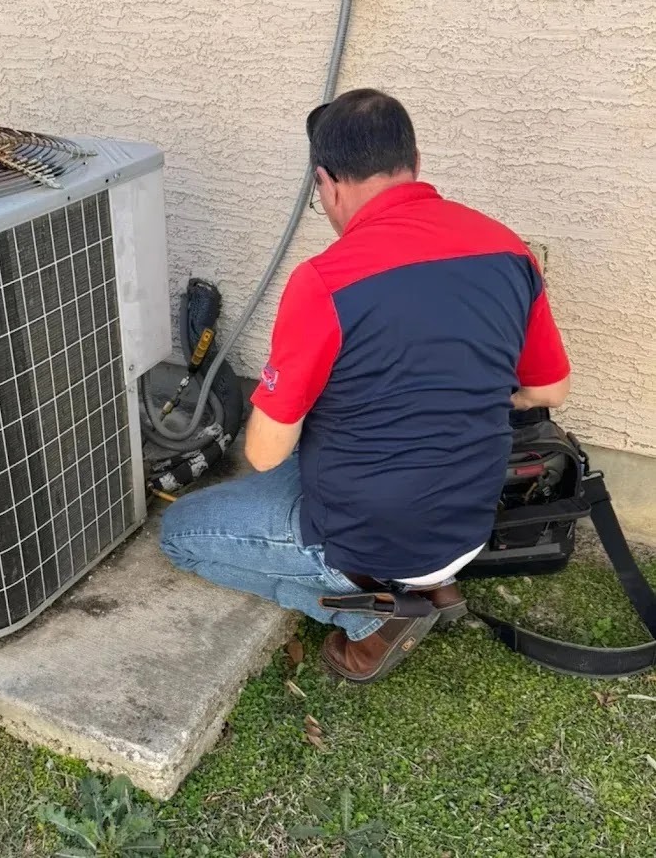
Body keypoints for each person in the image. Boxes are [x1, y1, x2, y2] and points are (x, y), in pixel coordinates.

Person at [160, 89, 571, 684]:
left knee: (181, 537)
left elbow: (264, 452)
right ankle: (433, 585)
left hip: (372, 537)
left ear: (326, 182)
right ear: (416, 162)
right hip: (468, 525)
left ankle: (375, 618)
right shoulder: (507, 249)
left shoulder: (325, 281)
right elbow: (550, 390)